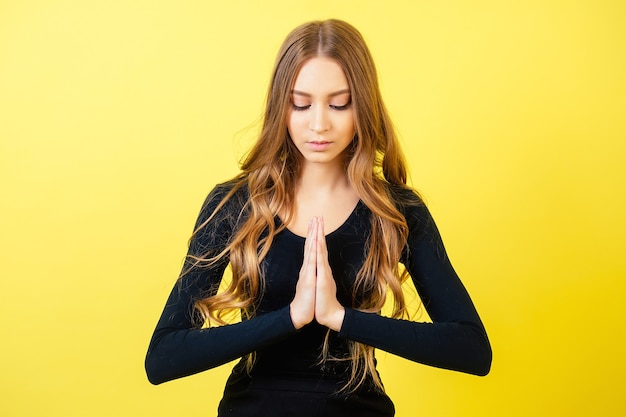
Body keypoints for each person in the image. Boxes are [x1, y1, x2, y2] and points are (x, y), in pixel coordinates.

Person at [145, 19, 491, 417]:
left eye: (339, 103)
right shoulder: (234, 204)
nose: (319, 123)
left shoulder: (398, 212)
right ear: (281, 106)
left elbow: (472, 351)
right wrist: (292, 317)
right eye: (301, 103)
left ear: (363, 104)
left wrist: (339, 318)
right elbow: (163, 358)